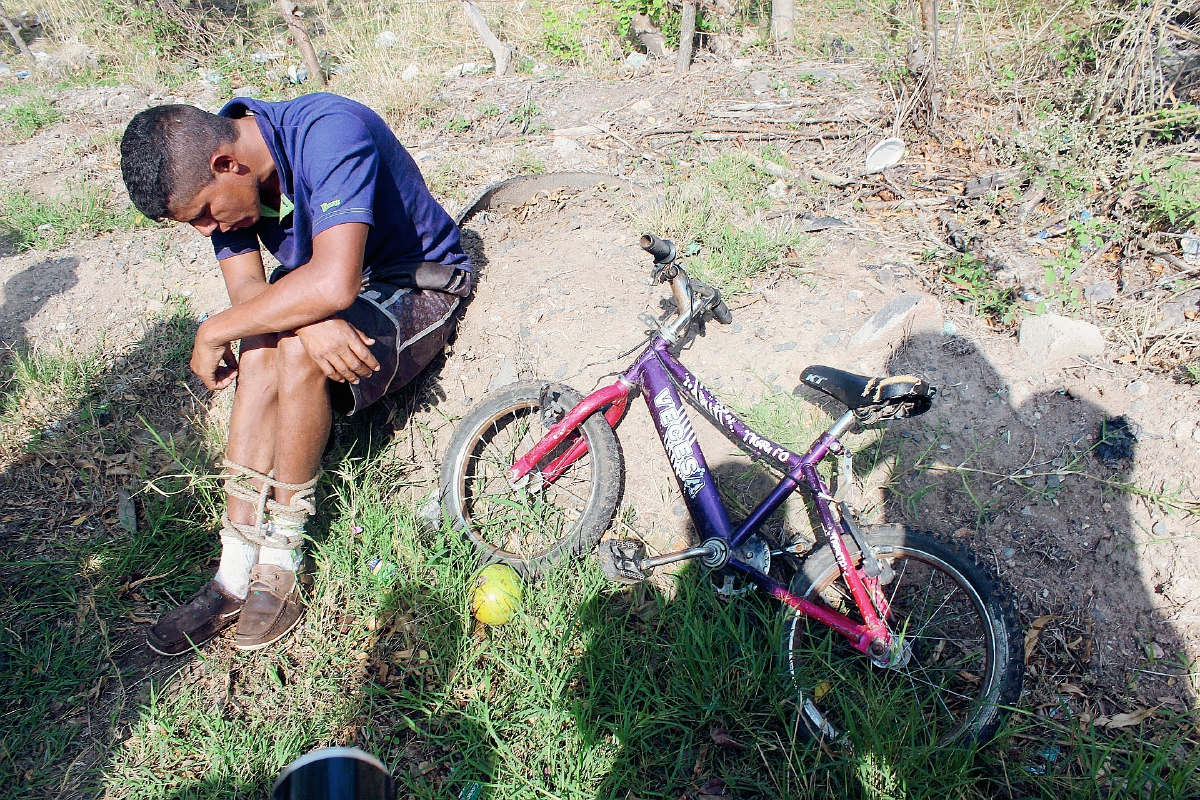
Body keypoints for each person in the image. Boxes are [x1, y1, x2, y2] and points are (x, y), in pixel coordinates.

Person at [119, 93, 471, 655]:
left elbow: (334, 284)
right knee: (262, 344)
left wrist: (215, 330)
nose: (209, 231)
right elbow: (252, 296)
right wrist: (310, 320)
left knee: (291, 349)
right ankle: (233, 571)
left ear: (225, 165)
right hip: (332, 283)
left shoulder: (327, 132)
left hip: (415, 280)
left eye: (206, 214)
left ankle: (283, 559)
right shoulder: (230, 173)